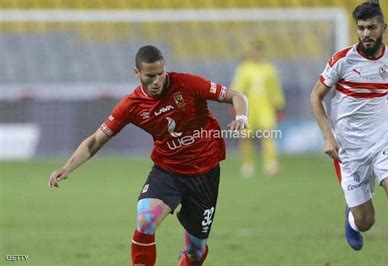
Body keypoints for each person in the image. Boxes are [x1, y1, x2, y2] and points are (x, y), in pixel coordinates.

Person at [48, 45, 249, 266]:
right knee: (145, 221)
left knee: (195, 252)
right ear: (137, 74)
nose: (157, 81)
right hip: (168, 172)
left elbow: (236, 96)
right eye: (150, 76)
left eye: (160, 74)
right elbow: (96, 140)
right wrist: (66, 168)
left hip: (205, 174)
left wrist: (241, 117)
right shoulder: (131, 105)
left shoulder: (187, 84)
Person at [310, 1, 388, 265]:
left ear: (383, 27)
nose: (366, 33)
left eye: (372, 27)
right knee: (366, 222)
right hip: (348, 151)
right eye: (362, 28)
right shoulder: (341, 61)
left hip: (382, 141)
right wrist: (328, 136)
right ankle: (353, 217)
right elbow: (315, 97)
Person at [231, 40, 285, 178]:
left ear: (261, 52)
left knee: (268, 134)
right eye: (253, 51)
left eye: (258, 51)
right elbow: (238, 87)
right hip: (248, 107)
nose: (255, 54)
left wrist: (278, 104)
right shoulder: (244, 68)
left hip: (265, 105)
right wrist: (234, 104)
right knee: (245, 136)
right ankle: (248, 164)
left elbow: (275, 87)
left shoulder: (269, 68)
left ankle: (270, 164)